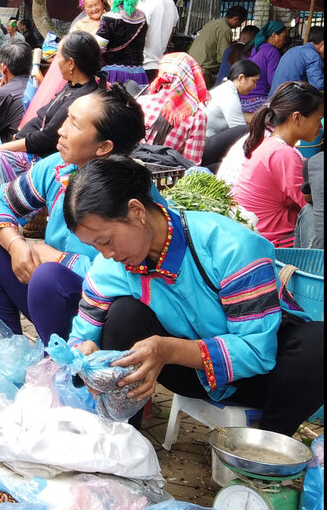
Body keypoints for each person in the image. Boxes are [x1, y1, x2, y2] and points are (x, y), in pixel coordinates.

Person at [64, 155, 324, 437]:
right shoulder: (109, 268)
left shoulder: (231, 247)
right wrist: (84, 354)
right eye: (94, 246)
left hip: (263, 376)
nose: (106, 254)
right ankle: (122, 438)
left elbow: (257, 351)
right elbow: (80, 335)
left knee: (316, 345)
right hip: (188, 374)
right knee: (124, 315)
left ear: (137, 211)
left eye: (106, 240)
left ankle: (267, 446)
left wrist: (168, 349)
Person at [0, 85, 146, 342]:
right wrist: (15, 245)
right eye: (67, 118)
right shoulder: (60, 166)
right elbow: (1, 200)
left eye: (74, 125)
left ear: (103, 147)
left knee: (48, 277)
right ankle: (8, 351)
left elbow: (135, 275)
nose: (61, 130)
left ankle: (62, 369)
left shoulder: (132, 196)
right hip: (50, 290)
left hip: (101, 311)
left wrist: (58, 259)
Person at [0, 31, 102, 213]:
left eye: (58, 56)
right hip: (28, 151)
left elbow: (47, 137)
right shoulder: (71, 87)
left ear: (71, 64)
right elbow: (40, 117)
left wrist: (1, 148)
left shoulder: (83, 96)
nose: (54, 62)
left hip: (38, 160)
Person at [231, 81, 324, 248]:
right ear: (297, 117)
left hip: (254, 231)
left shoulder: (269, 144)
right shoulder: (282, 154)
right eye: (318, 119)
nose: (320, 126)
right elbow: (314, 202)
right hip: (271, 241)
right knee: (313, 213)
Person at [136, 52, 209, 166]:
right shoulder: (196, 116)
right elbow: (191, 165)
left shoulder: (141, 102)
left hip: (132, 169)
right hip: (166, 179)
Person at [202, 59, 261, 173]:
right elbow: (239, 129)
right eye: (254, 81)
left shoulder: (225, 88)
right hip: (205, 143)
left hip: (206, 140)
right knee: (245, 131)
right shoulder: (228, 95)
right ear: (241, 78)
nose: (255, 86)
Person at [95, 0, 149, 86]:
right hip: (138, 75)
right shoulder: (142, 17)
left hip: (114, 76)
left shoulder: (110, 17)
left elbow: (97, 48)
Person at [137, 0, 180, 83]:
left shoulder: (146, 3)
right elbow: (169, 39)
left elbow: (137, 34)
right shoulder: (172, 6)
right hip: (158, 67)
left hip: (141, 66)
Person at [188, 5, 249, 87]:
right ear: (236, 19)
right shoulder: (225, 30)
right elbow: (223, 57)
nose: (239, 26)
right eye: (240, 23)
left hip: (191, 65)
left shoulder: (213, 23)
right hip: (203, 71)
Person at [238, 20, 288, 112]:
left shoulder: (252, 48)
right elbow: (273, 81)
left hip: (240, 100)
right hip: (257, 101)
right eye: (283, 37)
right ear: (274, 35)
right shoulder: (272, 52)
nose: (284, 41)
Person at [271, 26, 325, 91]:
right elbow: (318, 85)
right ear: (322, 43)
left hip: (274, 96)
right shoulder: (313, 56)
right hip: (289, 98)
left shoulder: (294, 50)